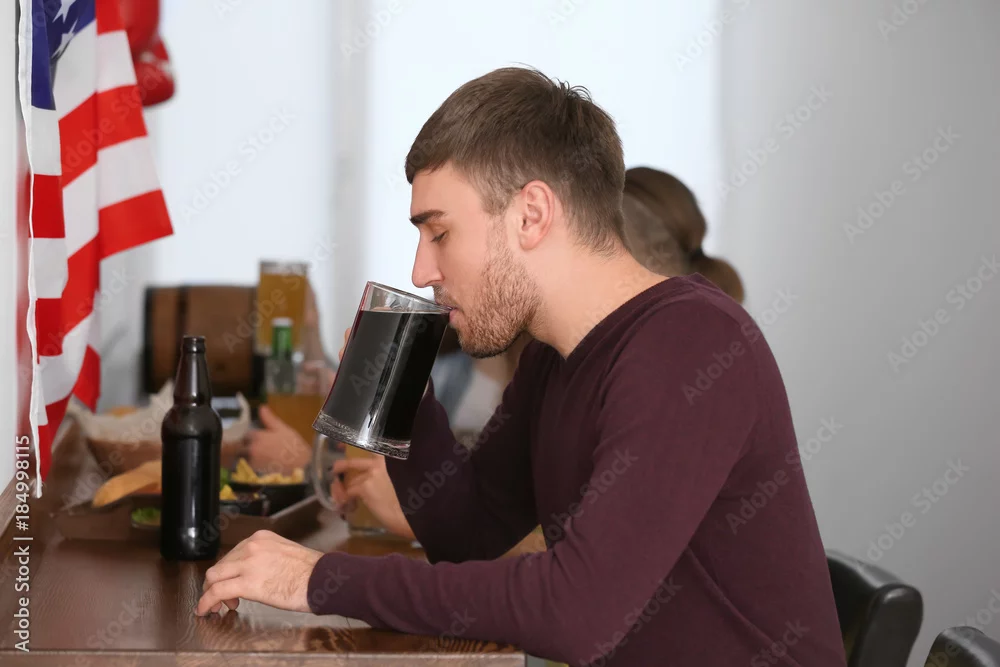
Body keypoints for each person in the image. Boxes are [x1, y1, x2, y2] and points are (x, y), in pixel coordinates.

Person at [196, 66, 847, 667]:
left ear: (531, 215)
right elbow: (470, 534)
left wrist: (318, 578)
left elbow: (577, 611)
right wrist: (408, 402)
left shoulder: (689, 342)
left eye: (439, 232)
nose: (420, 270)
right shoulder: (552, 356)